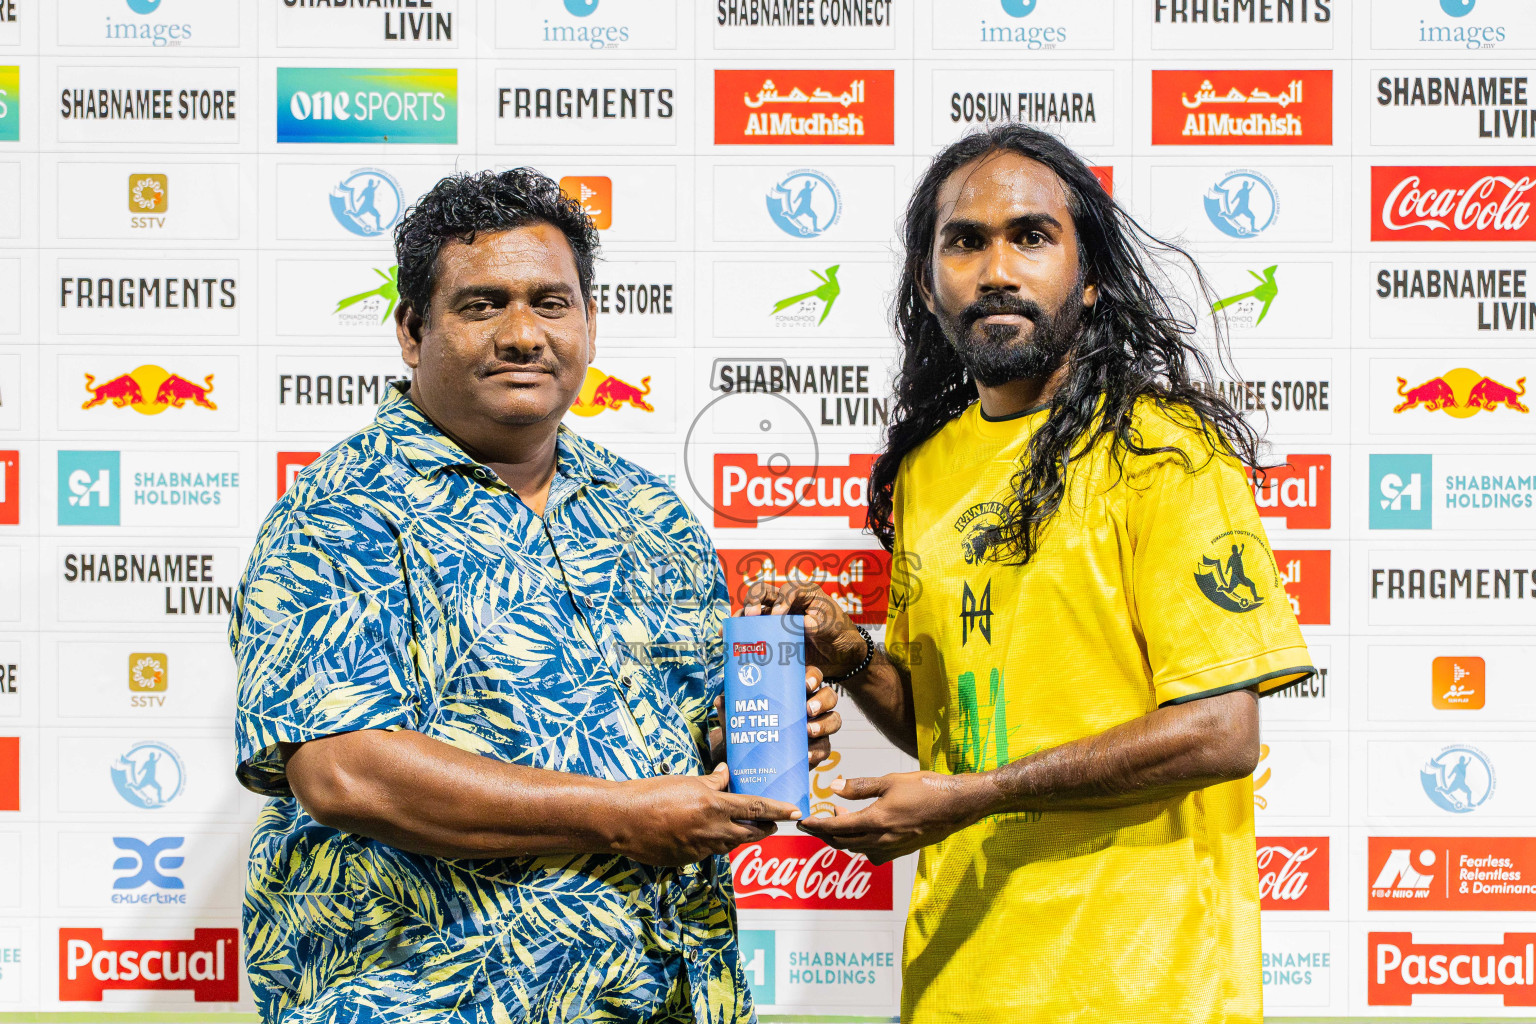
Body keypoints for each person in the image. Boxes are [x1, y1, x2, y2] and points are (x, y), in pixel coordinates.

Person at [229, 168, 843, 1024]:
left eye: (551, 303)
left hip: (669, 992)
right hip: (428, 1001)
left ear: (588, 324)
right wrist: (625, 815)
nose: (523, 335)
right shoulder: (341, 510)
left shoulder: (649, 512)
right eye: (483, 305)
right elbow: (344, 771)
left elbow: (678, 731)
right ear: (412, 331)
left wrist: (759, 734)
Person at [745, 124, 1315, 1023]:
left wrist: (970, 799)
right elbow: (951, 735)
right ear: (928, 286)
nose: (996, 269)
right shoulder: (925, 470)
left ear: (1089, 279)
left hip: (1140, 990)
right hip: (959, 981)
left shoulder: (1164, 452)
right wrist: (852, 653)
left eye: (1032, 236)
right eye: (964, 241)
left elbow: (1220, 733)